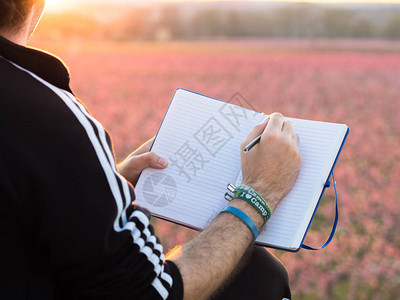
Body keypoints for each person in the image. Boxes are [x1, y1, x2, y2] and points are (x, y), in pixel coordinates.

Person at [0, 1, 302, 299]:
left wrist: (100, 184)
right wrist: (259, 192)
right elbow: (150, 292)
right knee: (258, 274)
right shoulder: (44, 115)